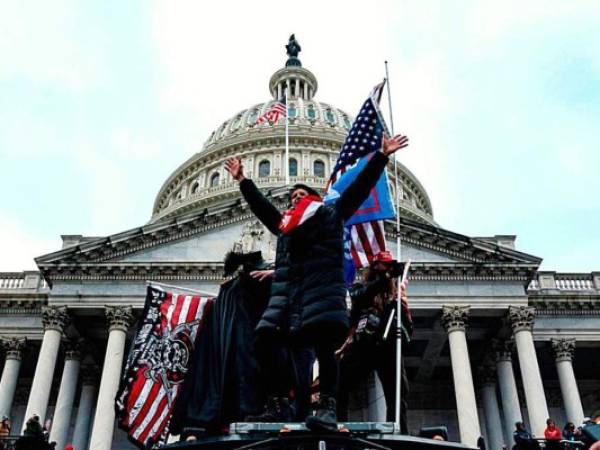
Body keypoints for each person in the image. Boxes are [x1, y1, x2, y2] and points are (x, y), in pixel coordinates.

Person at [225, 133, 409, 431]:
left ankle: (327, 407)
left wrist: (382, 157)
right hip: (291, 297)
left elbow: (359, 190)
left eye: (301, 195)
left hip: (322, 293)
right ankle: (277, 404)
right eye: (291, 197)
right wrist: (244, 180)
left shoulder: (330, 214)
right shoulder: (286, 227)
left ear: (315, 199)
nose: (294, 199)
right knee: (264, 341)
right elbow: (264, 209)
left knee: (325, 350)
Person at [336, 250, 412, 433]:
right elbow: (359, 296)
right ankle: (338, 423)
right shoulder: (361, 288)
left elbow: (408, 328)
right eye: (379, 267)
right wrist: (384, 277)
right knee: (340, 381)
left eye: (387, 267)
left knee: (398, 390)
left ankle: (398, 428)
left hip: (387, 345)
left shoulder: (395, 296)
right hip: (365, 342)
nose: (384, 271)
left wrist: (400, 307)